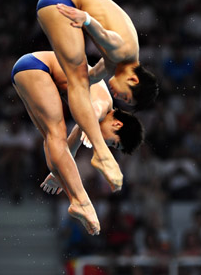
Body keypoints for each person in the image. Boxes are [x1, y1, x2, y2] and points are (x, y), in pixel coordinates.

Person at [35, 0, 159, 193]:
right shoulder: (123, 52)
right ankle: (101, 155)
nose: (118, 97)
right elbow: (107, 37)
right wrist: (86, 19)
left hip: (59, 3)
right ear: (133, 79)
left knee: (80, 79)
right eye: (125, 97)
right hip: (62, 3)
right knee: (78, 77)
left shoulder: (114, 65)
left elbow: (88, 80)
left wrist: (87, 123)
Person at [12, 51, 144, 235]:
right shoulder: (104, 104)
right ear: (117, 124)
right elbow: (93, 111)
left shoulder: (100, 111)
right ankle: (81, 201)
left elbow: (70, 145)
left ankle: (76, 198)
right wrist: (91, 124)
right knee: (56, 134)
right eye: (114, 143)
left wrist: (58, 172)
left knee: (52, 140)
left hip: (28, 70)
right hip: (38, 68)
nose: (108, 145)